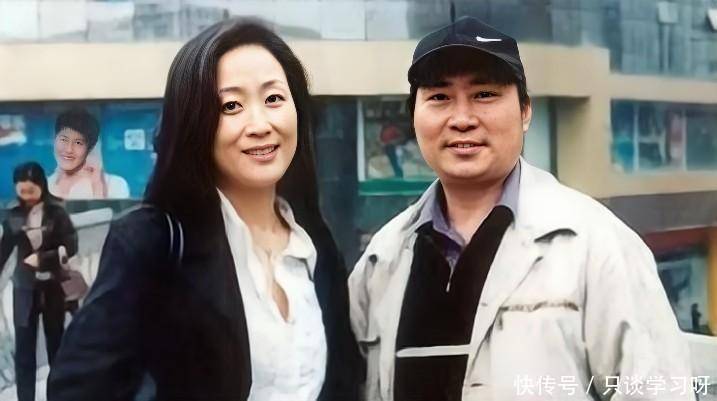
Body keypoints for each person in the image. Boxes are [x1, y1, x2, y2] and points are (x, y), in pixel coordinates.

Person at [348, 16, 694, 401]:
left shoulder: (598, 245)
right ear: (414, 115)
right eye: (440, 97)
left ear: (525, 111)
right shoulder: (381, 261)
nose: (461, 119)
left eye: (484, 94)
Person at [47, 19, 360, 401]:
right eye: (231, 106)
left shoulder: (315, 244)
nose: (260, 124)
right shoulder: (154, 241)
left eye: (273, 99)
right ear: (195, 123)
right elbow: (79, 389)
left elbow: (345, 380)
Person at [0, 161, 77, 401]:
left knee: (57, 346)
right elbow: (3, 251)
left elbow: (71, 245)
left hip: (53, 288)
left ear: (42, 186)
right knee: (24, 352)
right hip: (24, 290)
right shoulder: (14, 216)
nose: (27, 197)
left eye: (31, 191)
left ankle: (60, 395)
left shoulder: (57, 212)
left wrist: (44, 259)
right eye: (22, 191)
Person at [48, 108, 130, 199]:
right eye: (64, 140)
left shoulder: (115, 185)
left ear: (90, 148)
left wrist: (97, 185)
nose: (69, 149)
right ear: (54, 140)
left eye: (78, 143)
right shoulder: (46, 184)